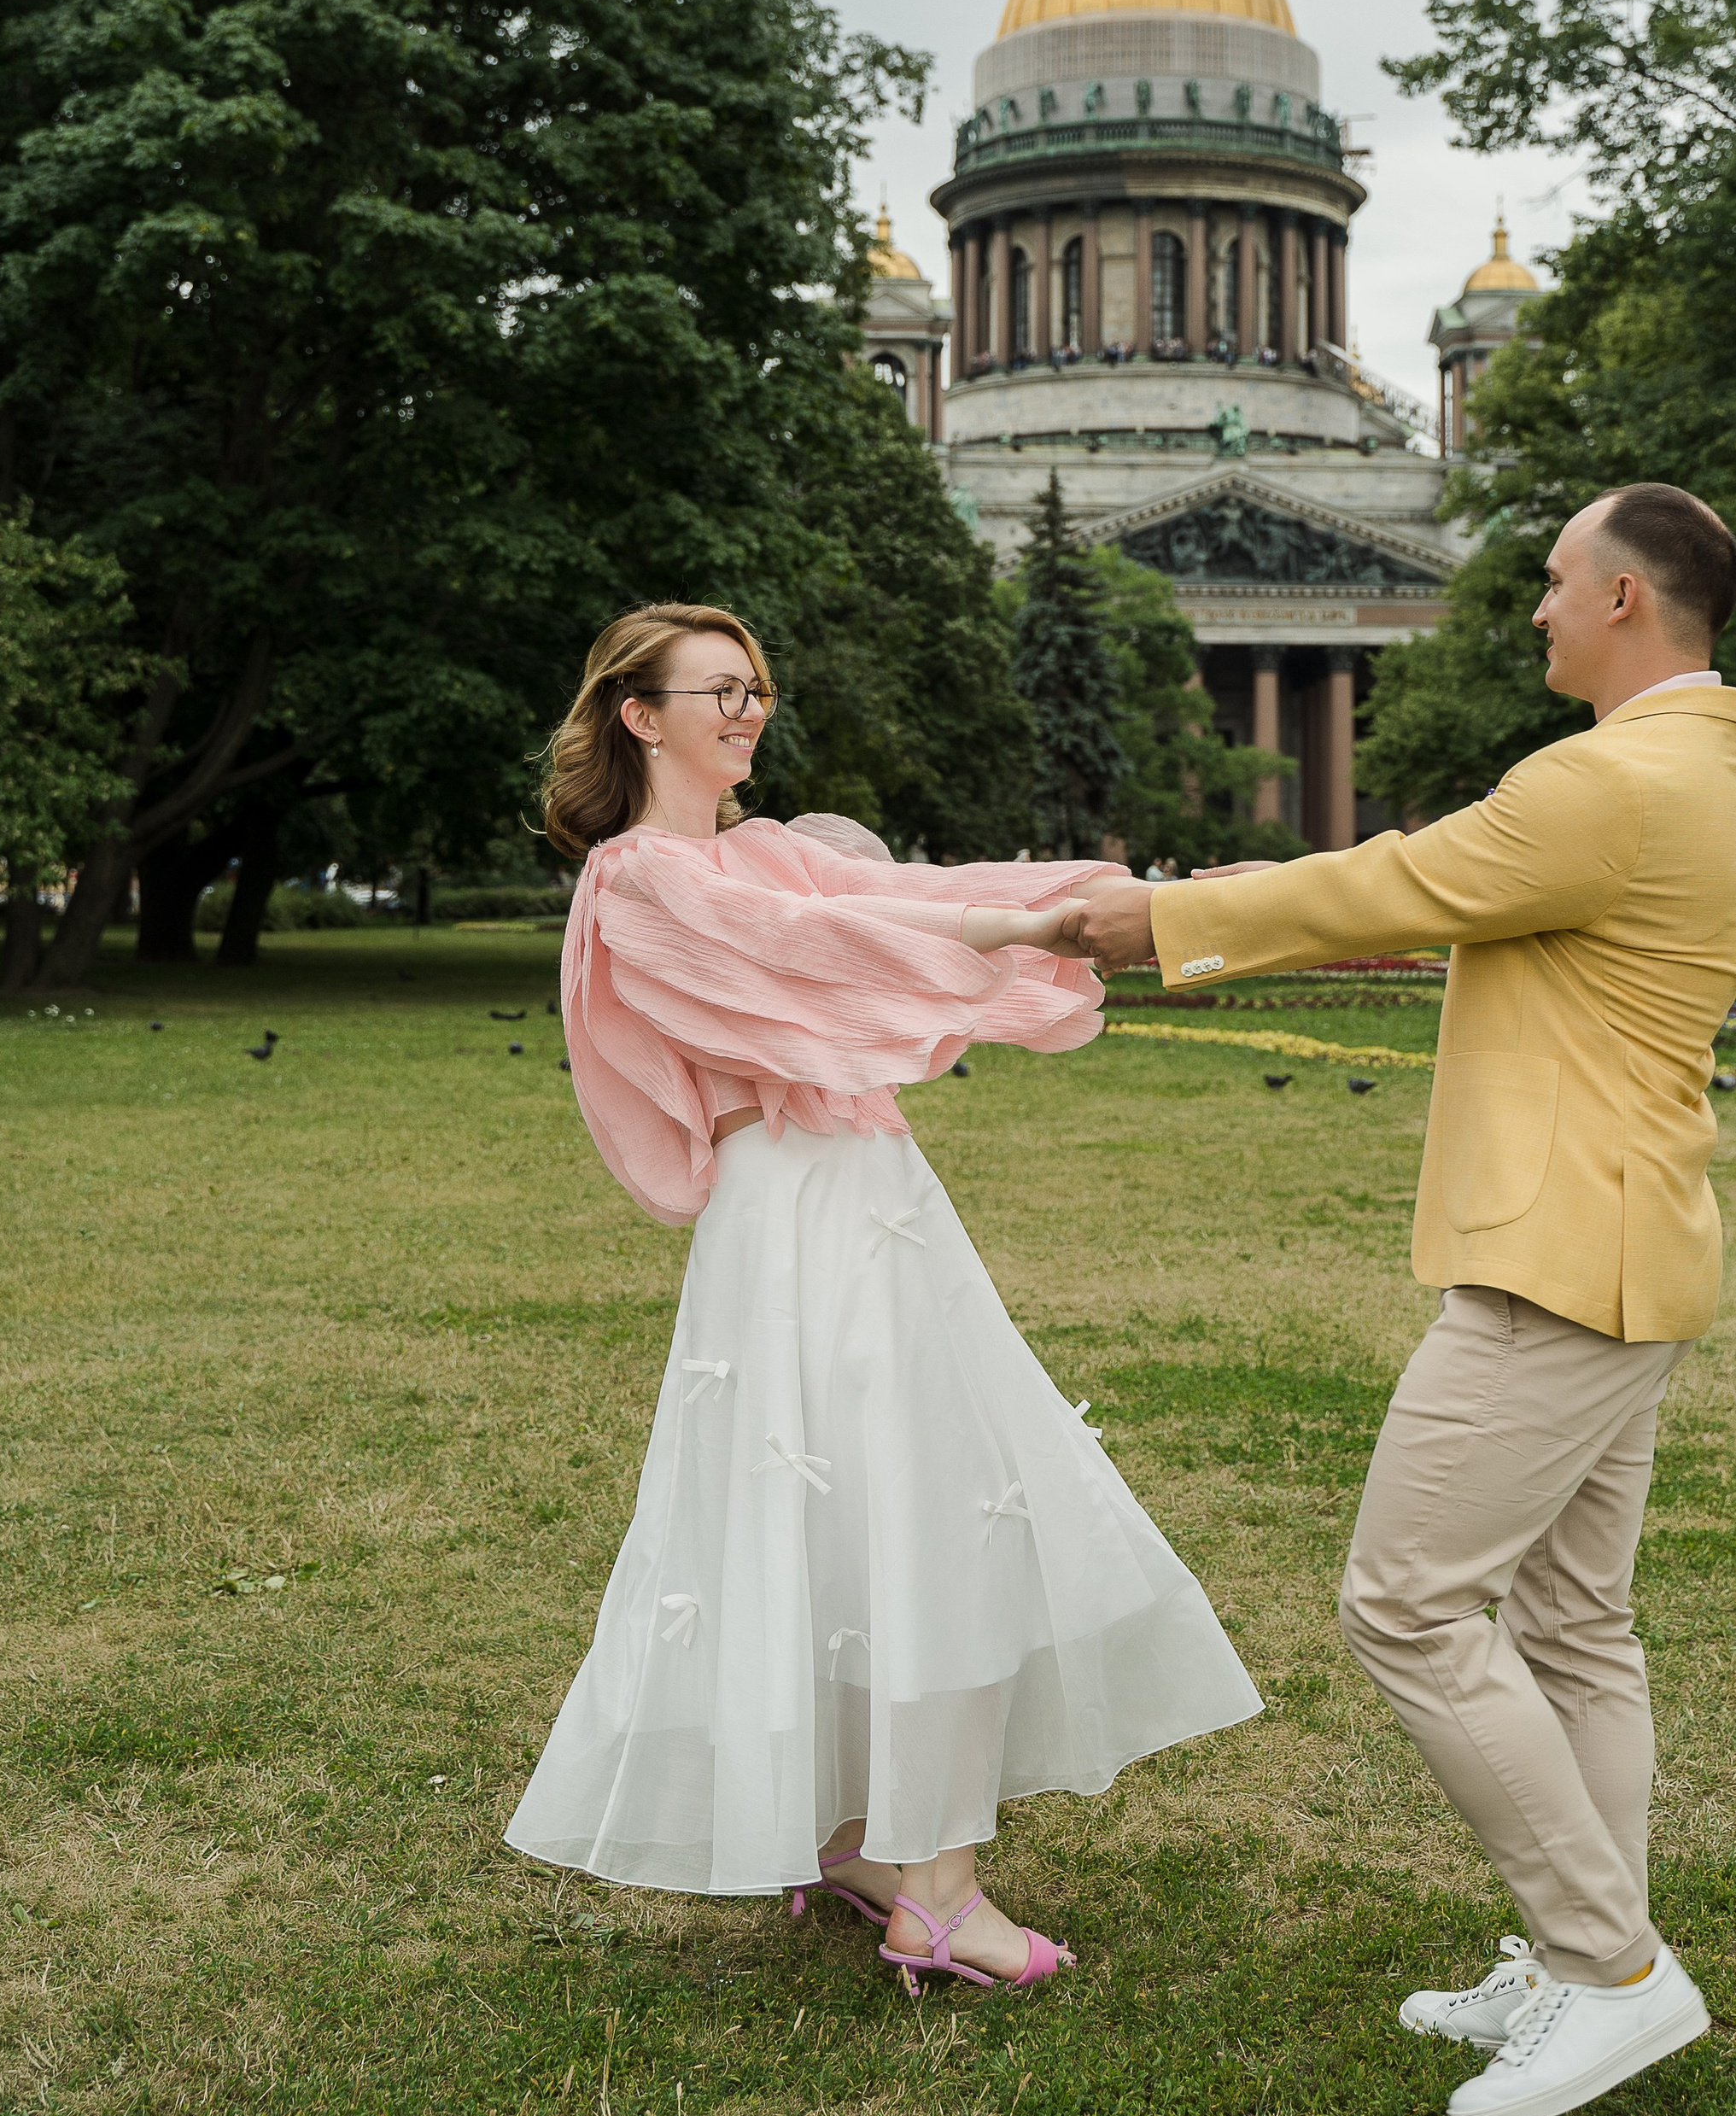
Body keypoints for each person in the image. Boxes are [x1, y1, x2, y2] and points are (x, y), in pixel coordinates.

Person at [1070, 486, 1736, 2116]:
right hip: (1628, 1249)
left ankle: (1607, 1969)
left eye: (1550, 584)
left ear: (1621, 599)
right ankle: (1572, 1954)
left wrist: (1161, 917)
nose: (1532, 608)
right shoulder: (1708, 768)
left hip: (1561, 1268)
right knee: (1574, 1630)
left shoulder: (1609, 777)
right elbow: (1436, 888)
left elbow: (1395, 885)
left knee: (1405, 1606)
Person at [506, 603, 1260, 1994]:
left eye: (756, 692)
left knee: (905, 1509)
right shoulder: (638, 882)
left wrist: (1111, 897)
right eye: (718, 692)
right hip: (791, 1217)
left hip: (874, 1198)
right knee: (914, 1513)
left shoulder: (774, 853)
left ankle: (859, 1839)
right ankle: (936, 1889)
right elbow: (812, 957)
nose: (747, 712)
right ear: (638, 714)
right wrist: (1021, 925)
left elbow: (891, 900)